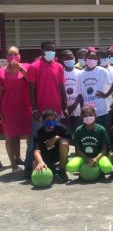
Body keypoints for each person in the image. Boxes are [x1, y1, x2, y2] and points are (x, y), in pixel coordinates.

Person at [25, 41, 67, 177]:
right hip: (40, 112)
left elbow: (62, 88)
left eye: (53, 50)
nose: (51, 52)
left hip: (56, 111)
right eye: (48, 49)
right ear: (42, 51)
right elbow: (31, 90)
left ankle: (56, 166)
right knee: (35, 140)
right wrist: (35, 110)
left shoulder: (59, 67)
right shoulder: (34, 67)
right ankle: (28, 167)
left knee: (56, 139)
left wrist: (64, 107)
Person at [0, 46, 31, 173]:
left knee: (29, 135)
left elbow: (32, 80)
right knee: (11, 137)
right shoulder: (1, 71)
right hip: (8, 108)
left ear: (20, 55)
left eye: (15, 54)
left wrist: (21, 69)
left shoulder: (27, 67)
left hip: (26, 107)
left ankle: (29, 161)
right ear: (6, 56)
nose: (13, 57)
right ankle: (13, 165)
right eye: (10, 54)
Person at [80, 49, 113, 128]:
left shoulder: (102, 70)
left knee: (102, 130)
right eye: (90, 58)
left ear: (97, 60)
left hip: (101, 108)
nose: (92, 60)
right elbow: (80, 93)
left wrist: (106, 95)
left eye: (94, 58)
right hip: (87, 110)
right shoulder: (81, 73)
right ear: (85, 59)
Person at [33, 109, 71, 182]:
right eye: (48, 120)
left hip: (58, 155)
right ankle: (51, 169)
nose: (51, 122)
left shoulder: (60, 127)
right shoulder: (38, 133)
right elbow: (36, 151)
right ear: (43, 120)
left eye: (54, 119)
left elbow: (70, 139)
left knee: (64, 143)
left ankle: (62, 169)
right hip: (45, 157)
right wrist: (40, 162)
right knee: (35, 165)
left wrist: (57, 137)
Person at [73, 107, 110, 171]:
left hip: (99, 157)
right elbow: (77, 149)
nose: (88, 118)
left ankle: (100, 170)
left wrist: (96, 159)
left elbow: (104, 149)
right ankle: (83, 170)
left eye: (91, 115)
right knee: (71, 167)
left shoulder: (101, 129)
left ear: (95, 116)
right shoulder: (79, 130)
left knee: (106, 167)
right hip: (83, 157)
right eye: (85, 116)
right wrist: (86, 159)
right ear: (82, 117)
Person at [61, 50, 83, 133]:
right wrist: (65, 107)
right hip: (64, 110)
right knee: (66, 134)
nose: (69, 59)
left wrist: (74, 105)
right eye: (66, 58)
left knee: (78, 132)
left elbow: (81, 92)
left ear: (74, 58)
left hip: (77, 109)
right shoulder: (60, 73)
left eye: (71, 57)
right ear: (62, 59)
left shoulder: (79, 73)